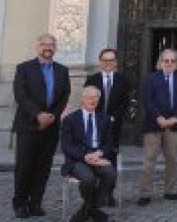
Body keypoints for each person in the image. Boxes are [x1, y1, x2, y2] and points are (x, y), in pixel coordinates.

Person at [12, 33, 71, 219]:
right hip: (28, 125)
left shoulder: (62, 70)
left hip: (51, 126)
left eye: (52, 44)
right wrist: (38, 115)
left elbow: (64, 96)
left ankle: (36, 202)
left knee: (43, 167)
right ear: (38, 47)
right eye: (45, 44)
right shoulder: (24, 68)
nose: (49, 47)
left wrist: (52, 116)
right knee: (25, 166)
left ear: (55, 48)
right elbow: (21, 95)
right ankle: (20, 203)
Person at [137, 48, 177, 206]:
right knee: (149, 159)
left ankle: (171, 191)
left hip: (173, 125)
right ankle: (145, 193)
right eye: (166, 60)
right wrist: (159, 118)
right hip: (153, 125)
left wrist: (175, 118)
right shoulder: (151, 78)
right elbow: (148, 100)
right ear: (160, 62)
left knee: (172, 159)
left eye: (173, 61)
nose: (169, 63)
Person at [60, 86, 117, 222]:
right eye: (90, 97)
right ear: (83, 99)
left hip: (98, 158)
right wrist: (85, 156)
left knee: (111, 173)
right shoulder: (70, 119)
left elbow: (109, 143)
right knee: (88, 178)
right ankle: (93, 211)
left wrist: (99, 153)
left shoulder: (105, 119)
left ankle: (87, 209)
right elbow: (67, 146)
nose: (93, 100)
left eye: (96, 98)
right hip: (78, 159)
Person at [84, 48, 130, 170]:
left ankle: (110, 182)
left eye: (111, 60)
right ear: (100, 61)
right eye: (105, 60)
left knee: (111, 153)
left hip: (114, 124)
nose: (108, 63)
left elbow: (125, 103)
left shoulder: (123, 80)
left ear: (115, 62)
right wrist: (98, 117)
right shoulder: (92, 80)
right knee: (93, 151)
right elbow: (86, 101)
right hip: (94, 122)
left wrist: (112, 117)